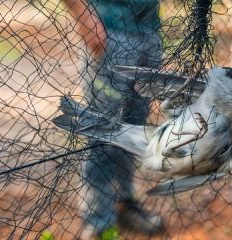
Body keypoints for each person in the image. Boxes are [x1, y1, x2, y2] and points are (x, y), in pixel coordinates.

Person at [63, 0, 164, 237]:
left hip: (149, 32)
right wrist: (83, 15)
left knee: (132, 129)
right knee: (102, 133)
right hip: (110, 31)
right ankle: (99, 222)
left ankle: (126, 205)